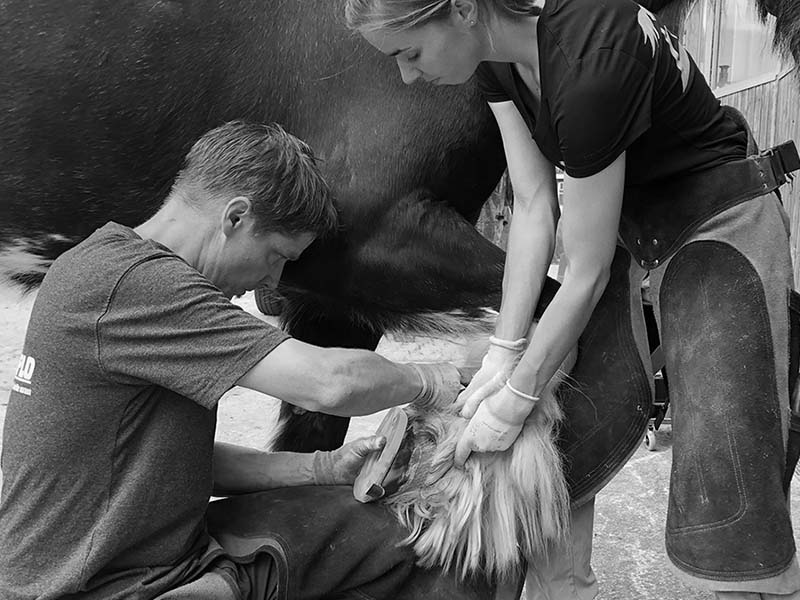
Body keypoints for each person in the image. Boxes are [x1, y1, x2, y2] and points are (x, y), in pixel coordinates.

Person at [344, 0, 800, 599]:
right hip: (630, 229)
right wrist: (507, 354)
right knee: (557, 436)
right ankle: (566, 591)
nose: (407, 75)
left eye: (408, 52)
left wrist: (512, 399)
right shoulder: (495, 58)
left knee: (727, 483)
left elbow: (582, 275)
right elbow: (534, 204)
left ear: (459, 10)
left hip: (718, 218)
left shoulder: (590, 58)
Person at [0, 121, 491, 599]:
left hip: (90, 564)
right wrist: (439, 379)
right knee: (432, 542)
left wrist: (324, 467)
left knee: (340, 515)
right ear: (235, 218)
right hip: (109, 584)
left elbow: (179, 467)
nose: (273, 283)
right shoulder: (140, 286)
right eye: (277, 255)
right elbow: (331, 383)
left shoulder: (96, 264)